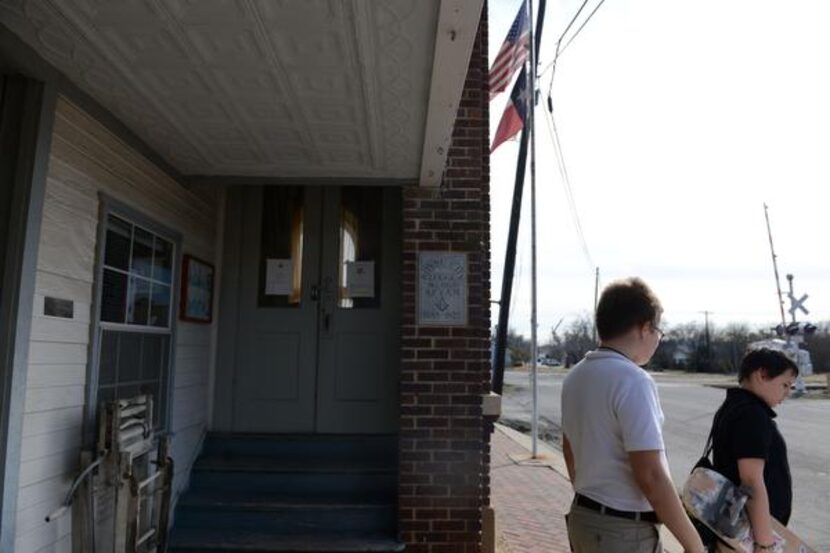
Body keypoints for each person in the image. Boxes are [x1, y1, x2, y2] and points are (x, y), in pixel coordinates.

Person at [561, 277, 705, 553]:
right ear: (644, 327)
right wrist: (694, 545)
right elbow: (650, 474)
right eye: (658, 333)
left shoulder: (576, 376)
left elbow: (568, 449)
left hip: (584, 517)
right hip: (623, 530)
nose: (657, 341)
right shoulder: (632, 380)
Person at [705, 348, 797, 552]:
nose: (787, 393)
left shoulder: (733, 406)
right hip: (746, 536)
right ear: (762, 375)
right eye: (785, 385)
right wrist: (764, 544)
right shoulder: (752, 415)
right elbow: (751, 482)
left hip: (733, 528)